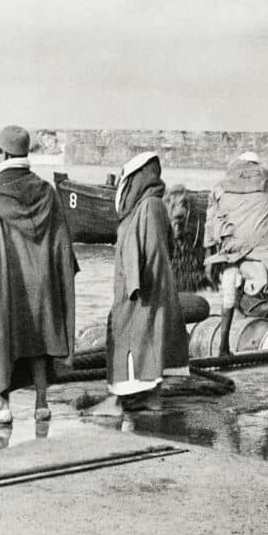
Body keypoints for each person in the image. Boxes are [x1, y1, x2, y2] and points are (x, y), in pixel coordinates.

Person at [0, 125, 79, 424]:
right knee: (41, 337)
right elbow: (62, 242)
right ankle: (41, 403)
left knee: (2, 338)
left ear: (3, 153)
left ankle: (1, 405)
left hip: (7, 284)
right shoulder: (46, 192)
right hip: (42, 284)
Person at [87, 152, 190, 415]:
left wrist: (132, 286)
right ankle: (151, 398)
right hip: (157, 286)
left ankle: (118, 401)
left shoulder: (145, 208)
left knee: (125, 337)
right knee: (150, 340)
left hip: (139, 288)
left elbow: (140, 251)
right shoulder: (155, 205)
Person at [203, 154, 268, 364]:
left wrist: (209, 254)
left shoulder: (222, 184)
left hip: (232, 247)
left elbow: (211, 219)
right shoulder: (267, 179)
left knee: (228, 294)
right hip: (263, 247)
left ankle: (223, 347)